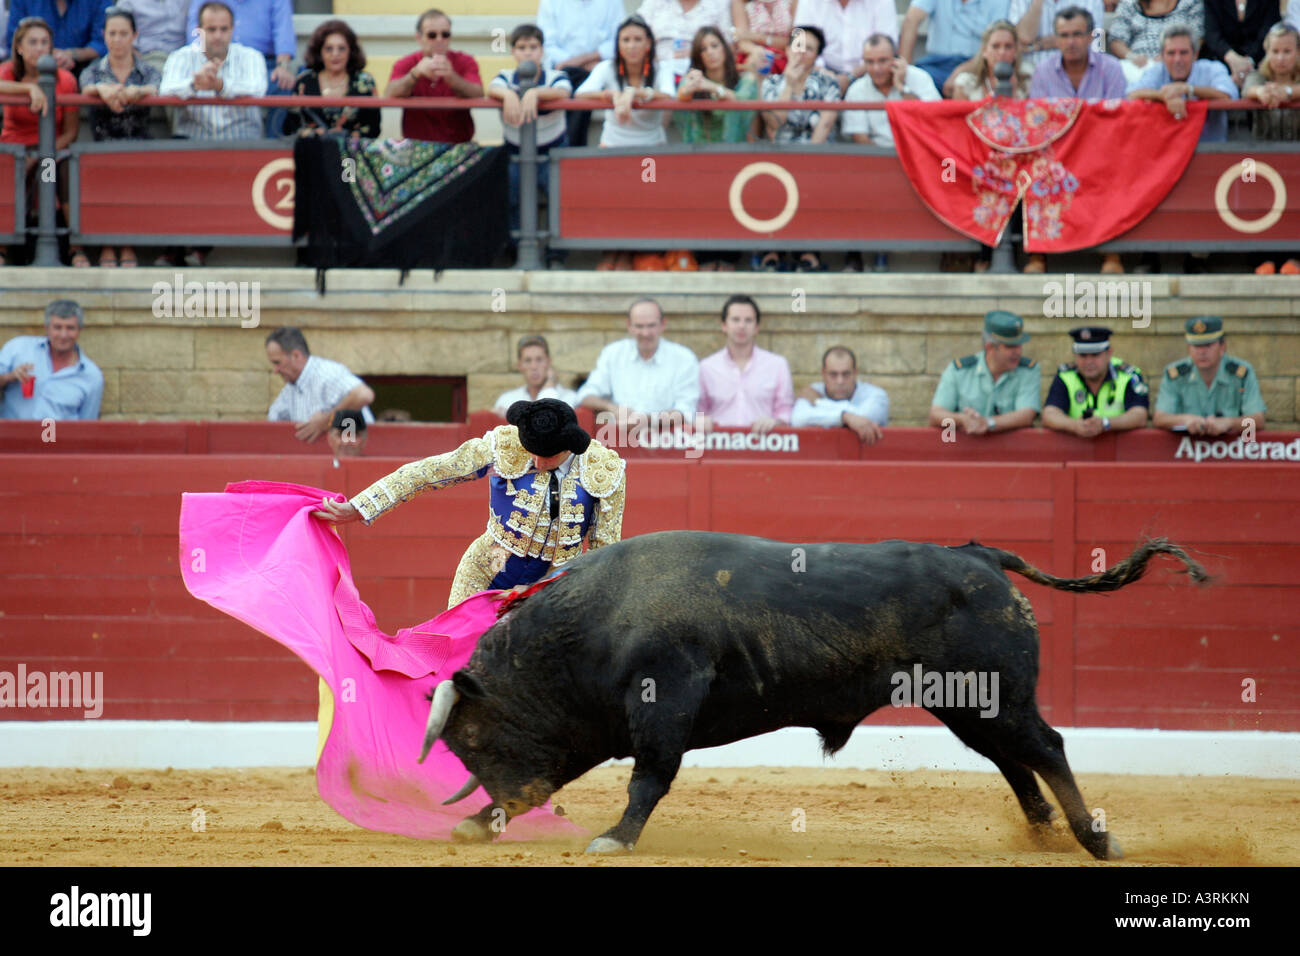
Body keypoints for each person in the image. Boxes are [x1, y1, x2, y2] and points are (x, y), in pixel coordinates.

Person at [315, 398, 627, 609]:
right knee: (455, 656)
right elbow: (430, 471)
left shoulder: (603, 469)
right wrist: (360, 507)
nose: (534, 460)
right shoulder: (505, 444)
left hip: (556, 585)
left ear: (569, 448)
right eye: (530, 450)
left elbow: (605, 550)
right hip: (488, 568)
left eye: (545, 457)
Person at [1025, 7, 1127, 275]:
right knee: (1036, 172)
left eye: (1077, 35)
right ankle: (1039, 256)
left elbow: (1118, 120)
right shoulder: (1043, 72)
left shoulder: (1112, 69)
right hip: (1057, 153)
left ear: (1091, 36)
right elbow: (1038, 123)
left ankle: (1112, 255)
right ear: (1056, 39)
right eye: (1064, 35)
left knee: (1116, 173)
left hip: (1102, 152)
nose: (1071, 42)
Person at [575, 16, 676, 270]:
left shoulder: (661, 69)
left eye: (637, 40)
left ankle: (632, 254)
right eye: (626, 40)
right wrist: (612, 95)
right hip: (613, 149)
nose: (631, 45)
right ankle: (612, 253)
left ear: (648, 45)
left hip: (651, 152)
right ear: (618, 45)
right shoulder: (607, 68)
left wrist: (639, 93)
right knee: (613, 203)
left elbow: (671, 97)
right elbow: (580, 94)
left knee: (643, 203)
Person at [79, 7, 159, 268]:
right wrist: (101, 90)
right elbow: (85, 85)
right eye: (112, 33)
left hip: (139, 146)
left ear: (134, 35)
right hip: (102, 146)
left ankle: (127, 245)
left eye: (123, 33)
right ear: (103, 36)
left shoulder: (147, 71)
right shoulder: (94, 71)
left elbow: (160, 86)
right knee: (101, 175)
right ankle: (107, 245)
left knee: (134, 174)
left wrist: (140, 92)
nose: (117, 39)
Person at [675, 25, 759, 270]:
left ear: (725, 48)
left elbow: (743, 101)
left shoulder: (745, 79)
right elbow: (679, 101)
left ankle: (729, 261)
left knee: (730, 227)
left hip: (735, 165)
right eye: (703, 49)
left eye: (715, 46)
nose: (710, 53)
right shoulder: (693, 81)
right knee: (702, 226)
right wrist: (688, 90)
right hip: (699, 166)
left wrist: (712, 88)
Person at [0, 17, 82, 267]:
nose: (39, 48)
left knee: (59, 171)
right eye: (33, 42)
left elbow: (70, 133)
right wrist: (28, 90)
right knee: (8, 172)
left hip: (49, 153)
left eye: (45, 42)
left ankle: (76, 249)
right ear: (20, 48)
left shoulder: (66, 79)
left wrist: (40, 154)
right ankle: (2, 248)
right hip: (13, 150)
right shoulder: (7, 72)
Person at [489, 23, 571, 268]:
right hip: (514, 152)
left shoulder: (556, 75)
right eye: (522, 47)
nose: (528, 53)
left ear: (543, 51)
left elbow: (564, 92)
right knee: (510, 200)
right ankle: (514, 250)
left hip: (553, 153)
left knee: (561, 202)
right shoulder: (505, 76)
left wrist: (534, 93)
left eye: (533, 47)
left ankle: (556, 255)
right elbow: (492, 88)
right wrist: (510, 95)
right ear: (513, 52)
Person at [758, 24, 838, 272]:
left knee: (812, 178)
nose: (802, 53)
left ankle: (808, 250)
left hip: (816, 154)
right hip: (778, 154)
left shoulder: (828, 82)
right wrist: (789, 87)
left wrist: (807, 162)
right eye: (798, 46)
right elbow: (773, 126)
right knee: (770, 176)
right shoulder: (771, 83)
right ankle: (772, 249)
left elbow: (824, 127)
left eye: (809, 48)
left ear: (817, 55)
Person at [578, 297, 700, 429]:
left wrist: (643, 420)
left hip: (667, 441)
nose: (645, 333)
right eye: (639, 326)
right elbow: (585, 395)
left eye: (651, 325)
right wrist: (612, 408)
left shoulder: (684, 358)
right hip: (619, 440)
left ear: (663, 324)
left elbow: (686, 410)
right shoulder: (613, 354)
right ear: (629, 326)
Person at [185, 0, 295, 135]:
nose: (218, 33)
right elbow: (195, 35)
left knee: (282, 82)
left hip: (262, 64)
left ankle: (272, 145)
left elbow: (283, 32)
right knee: (196, 80)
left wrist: (282, 66)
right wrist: (206, 64)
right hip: (211, 60)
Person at [159, 2, 267, 140]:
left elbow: (258, 89)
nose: (217, 36)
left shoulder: (251, 57)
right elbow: (165, 90)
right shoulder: (180, 56)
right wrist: (194, 85)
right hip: (193, 141)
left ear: (232, 29)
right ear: (199, 30)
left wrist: (221, 86)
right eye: (211, 29)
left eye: (224, 29)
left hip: (242, 141)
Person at [928, 310, 1042, 436]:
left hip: (1011, 451)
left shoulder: (1029, 370)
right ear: (990, 347)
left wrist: (988, 423)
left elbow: (1026, 415)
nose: (1018, 352)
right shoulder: (959, 371)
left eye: (1019, 345)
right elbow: (936, 415)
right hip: (967, 451)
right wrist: (962, 419)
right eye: (1010, 347)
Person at [1245, 22, 1299, 274]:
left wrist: (1288, 92)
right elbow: (1248, 88)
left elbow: (1290, 93)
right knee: (1261, 201)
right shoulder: (1259, 75)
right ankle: (1265, 258)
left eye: (1287, 51)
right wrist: (1261, 92)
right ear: (1267, 52)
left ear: (1297, 52)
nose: (1280, 58)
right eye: (1275, 51)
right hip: (1264, 162)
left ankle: (1294, 259)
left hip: (1296, 162)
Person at [695, 294, 794, 433]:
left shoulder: (777, 365)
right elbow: (699, 409)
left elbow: (786, 410)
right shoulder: (706, 367)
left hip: (764, 445)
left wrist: (776, 422)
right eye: (735, 320)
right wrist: (701, 420)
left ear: (757, 327)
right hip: (719, 446)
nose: (742, 326)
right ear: (724, 325)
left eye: (748, 320)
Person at [1153, 316, 1266, 435]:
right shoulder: (1175, 375)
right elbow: (1160, 418)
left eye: (1208, 345)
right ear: (1188, 349)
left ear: (1222, 347)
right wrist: (1185, 420)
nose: (1202, 352)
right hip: (1186, 448)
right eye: (1196, 346)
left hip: (1229, 448)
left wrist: (1229, 422)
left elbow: (1258, 420)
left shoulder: (1242, 373)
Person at [385, 8, 483, 143]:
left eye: (445, 34)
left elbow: (478, 93)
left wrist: (452, 78)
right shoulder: (407, 63)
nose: (439, 40)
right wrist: (415, 73)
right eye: (432, 35)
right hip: (417, 147)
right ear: (419, 38)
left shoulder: (465, 61)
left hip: (458, 146)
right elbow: (390, 93)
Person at [265, 327, 375, 443]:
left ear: (296, 356)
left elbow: (363, 395)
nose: (275, 370)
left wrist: (327, 421)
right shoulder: (290, 389)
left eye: (277, 362)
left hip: (356, 455)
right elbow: (273, 421)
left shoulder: (326, 374)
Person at [1129, 24, 1237, 142]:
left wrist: (1187, 89)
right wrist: (1163, 96)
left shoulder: (1212, 68)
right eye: (1171, 53)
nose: (1177, 59)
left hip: (1210, 151)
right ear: (1162, 56)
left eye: (1183, 52)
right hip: (1166, 151)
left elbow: (1229, 94)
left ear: (1195, 54)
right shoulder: (1157, 71)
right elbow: (1131, 94)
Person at [537, 0, 623, 145]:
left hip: (599, 68)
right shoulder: (550, 3)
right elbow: (547, 44)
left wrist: (588, 60)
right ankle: (573, 148)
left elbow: (618, 40)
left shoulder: (612, 2)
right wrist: (579, 63)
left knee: (587, 80)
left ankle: (571, 148)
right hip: (563, 71)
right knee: (575, 78)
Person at [0, 299, 103, 420]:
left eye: (70, 328)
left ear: (79, 330)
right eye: (57, 327)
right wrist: (8, 377)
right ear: (47, 328)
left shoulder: (91, 376)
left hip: (55, 438)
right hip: (12, 436)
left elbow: (86, 426)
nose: (63, 335)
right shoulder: (18, 348)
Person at [1041, 326, 1150, 437]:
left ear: (1109, 353)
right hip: (1077, 451)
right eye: (1083, 355)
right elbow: (1049, 414)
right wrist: (1074, 425)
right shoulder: (1065, 375)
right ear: (1074, 355)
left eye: (1095, 355)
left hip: (1121, 452)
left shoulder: (1129, 376)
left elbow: (1140, 415)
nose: (1089, 361)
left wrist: (1106, 423)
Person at [282, 19, 380, 139]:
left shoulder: (365, 82)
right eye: (329, 49)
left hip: (351, 154)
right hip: (313, 151)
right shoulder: (304, 81)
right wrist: (314, 134)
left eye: (341, 48)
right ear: (319, 52)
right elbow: (290, 127)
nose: (335, 54)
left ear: (351, 51)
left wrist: (345, 136)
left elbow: (373, 128)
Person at [899, 0, 1011, 92]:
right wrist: (906, 71)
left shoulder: (1000, 2)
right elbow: (911, 21)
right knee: (914, 89)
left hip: (976, 66)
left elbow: (998, 41)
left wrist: (961, 71)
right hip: (936, 65)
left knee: (963, 85)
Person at [791, 345, 888, 444]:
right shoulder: (813, 391)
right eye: (833, 374)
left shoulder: (876, 394)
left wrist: (820, 402)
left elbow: (865, 418)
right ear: (823, 374)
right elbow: (798, 419)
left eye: (846, 374)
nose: (840, 381)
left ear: (855, 373)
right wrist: (845, 417)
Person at [797, 0, 898, 91]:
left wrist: (850, 78)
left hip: (870, 74)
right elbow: (798, 47)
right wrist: (828, 76)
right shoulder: (808, 2)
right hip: (817, 74)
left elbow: (888, 49)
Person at [1107, 0, 1206, 85]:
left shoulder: (1190, 2)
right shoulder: (1129, 3)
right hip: (1139, 67)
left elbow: (1198, 37)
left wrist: (1168, 56)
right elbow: (1116, 40)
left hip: (1178, 62)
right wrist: (1132, 56)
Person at [4, 0, 109, 71]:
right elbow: (14, 40)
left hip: (81, 67)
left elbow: (103, 42)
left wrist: (70, 54)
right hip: (29, 67)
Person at [493, 334, 580, 415]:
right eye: (528, 360)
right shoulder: (507, 400)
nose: (534, 367)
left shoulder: (570, 398)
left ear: (548, 362)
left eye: (539, 359)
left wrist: (550, 383)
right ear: (519, 365)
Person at [635, 0, 732, 70]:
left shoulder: (719, 3)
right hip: (658, 70)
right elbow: (634, 31)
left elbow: (727, 45)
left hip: (702, 72)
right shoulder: (654, 3)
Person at [1203, 0, 1281, 87]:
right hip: (1222, 62)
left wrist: (1249, 62)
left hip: (1257, 63)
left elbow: (1269, 31)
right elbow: (1212, 34)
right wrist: (1233, 59)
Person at [1009, 0, 1105, 70]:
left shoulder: (1093, 2)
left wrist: (1038, 45)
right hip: (1031, 70)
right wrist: (1037, 2)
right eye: (1064, 35)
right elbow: (1024, 37)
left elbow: (1097, 44)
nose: (1069, 40)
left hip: (1079, 68)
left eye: (1076, 34)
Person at [950, 19, 1032, 100]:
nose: (1002, 52)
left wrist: (1013, 92)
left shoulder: (1027, 84)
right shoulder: (965, 84)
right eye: (995, 46)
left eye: (1008, 46)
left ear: (1015, 52)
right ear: (984, 51)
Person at [730, 0, 797, 73]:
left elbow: (793, 41)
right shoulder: (739, 2)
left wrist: (755, 37)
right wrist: (757, 50)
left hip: (788, 57)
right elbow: (741, 39)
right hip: (755, 56)